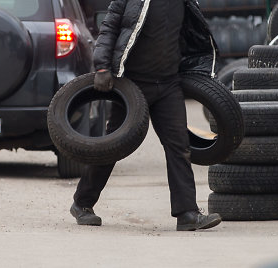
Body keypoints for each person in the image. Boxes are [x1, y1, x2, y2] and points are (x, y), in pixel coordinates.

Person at [69, 0, 222, 231]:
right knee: (114, 145)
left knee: (179, 147)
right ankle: (82, 203)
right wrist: (101, 67)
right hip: (132, 85)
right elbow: (109, 28)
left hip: (169, 84)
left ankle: (187, 213)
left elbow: (194, 33)